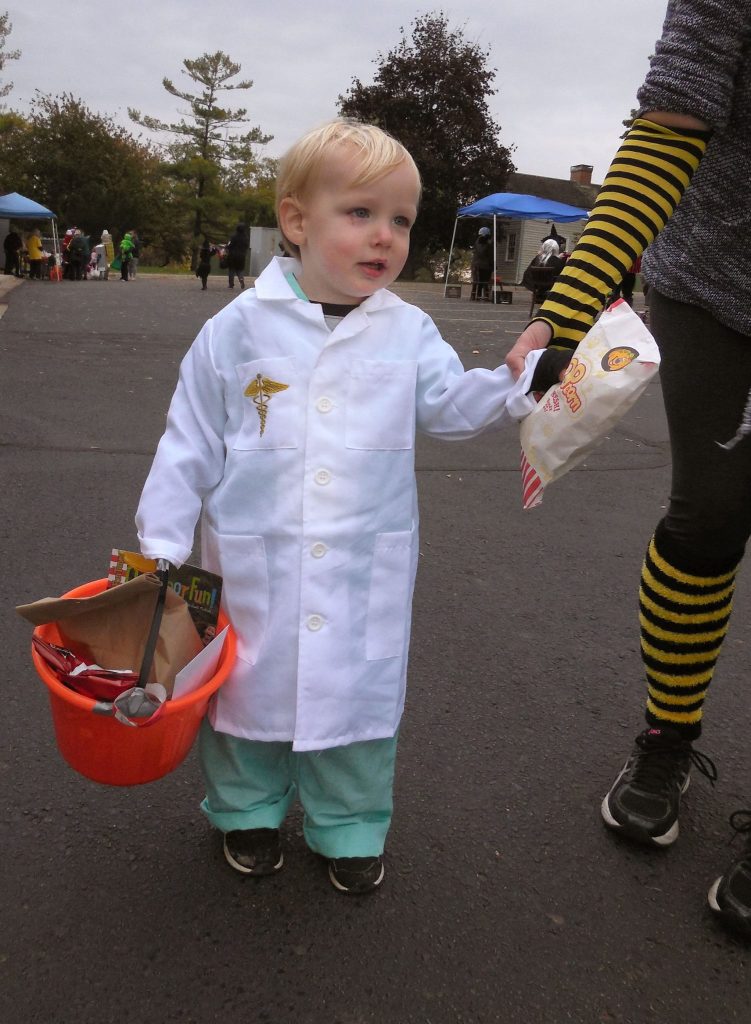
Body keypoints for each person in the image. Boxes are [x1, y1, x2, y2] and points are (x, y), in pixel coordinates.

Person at [134, 119, 563, 895]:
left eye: (400, 219)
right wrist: (160, 551)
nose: (384, 235)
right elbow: (186, 442)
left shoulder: (406, 329)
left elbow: (448, 406)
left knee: (355, 702)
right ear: (297, 221)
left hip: (365, 563)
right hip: (256, 564)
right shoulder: (235, 330)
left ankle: (350, 823)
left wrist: (518, 381)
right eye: (360, 213)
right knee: (244, 692)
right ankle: (245, 811)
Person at [505, 0, 751, 939]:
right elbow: (665, 132)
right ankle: (667, 737)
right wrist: (567, 312)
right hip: (715, 282)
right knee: (707, 516)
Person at [470, 226, 493, 300]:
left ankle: (474, 295)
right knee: (484, 281)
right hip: (484, 265)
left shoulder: (476, 243)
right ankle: (485, 296)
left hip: (475, 264)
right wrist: (492, 265)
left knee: (476, 280)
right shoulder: (487, 244)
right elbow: (489, 255)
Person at [225, 223, 249, 289]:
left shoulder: (233, 237)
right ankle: (241, 279)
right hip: (242, 256)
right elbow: (246, 246)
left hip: (233, 256)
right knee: (240, 270)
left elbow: (229, 245)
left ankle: (231, 284)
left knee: (231, 270)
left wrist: (227, 247)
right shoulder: (246, 238)